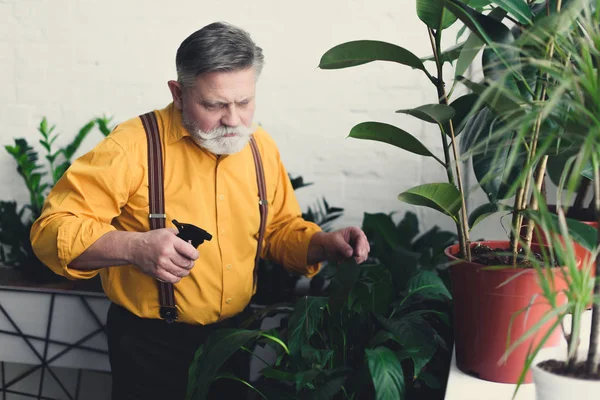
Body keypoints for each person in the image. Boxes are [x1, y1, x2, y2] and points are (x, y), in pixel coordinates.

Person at [30, 21, 370, 400]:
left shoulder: (259, 147)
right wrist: (133, 247)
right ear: (178, 93)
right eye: (214, 104)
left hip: (234, 340)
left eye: (244, 102)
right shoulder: (132, 146)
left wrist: (323, 244)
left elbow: (277, 231)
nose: (234, 119)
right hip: (148, 347)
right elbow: (51, 231)